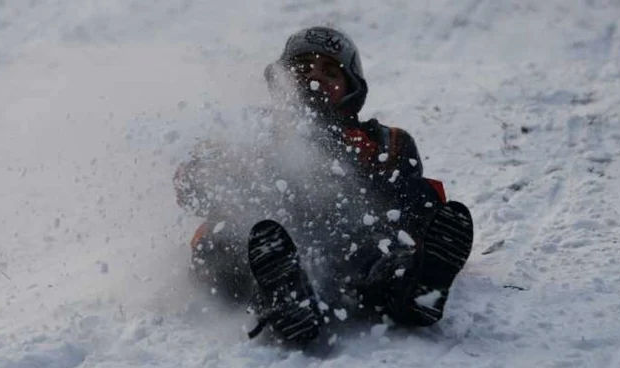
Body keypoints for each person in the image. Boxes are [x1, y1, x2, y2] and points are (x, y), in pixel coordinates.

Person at [174, 26, 473, 347]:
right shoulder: (248, 129)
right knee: (222, 241)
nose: (313, 79)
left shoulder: (382, 142)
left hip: (348, 248)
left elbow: (412, 204)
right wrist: (219, 172)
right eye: (301, 69)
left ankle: (414, 288)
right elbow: (193, 187)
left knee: (387, 246)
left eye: (330, 72)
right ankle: (283, 299)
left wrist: (421, 230)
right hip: (263, 243)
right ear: (281, 79)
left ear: (351, 88)